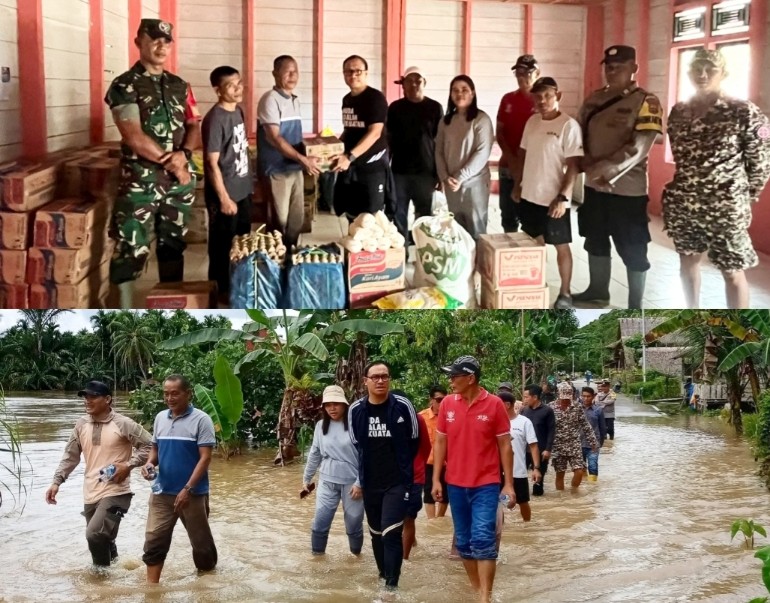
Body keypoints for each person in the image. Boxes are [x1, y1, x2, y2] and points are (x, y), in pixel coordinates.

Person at [663, 49, 770, 309]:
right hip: (685, 205)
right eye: (696, 69)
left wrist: (742, 197)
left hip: (726, 209)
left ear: (723, 73)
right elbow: (679, 156)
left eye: (710, 69)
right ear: (688, 73)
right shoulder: (679, 112)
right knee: (687, 263)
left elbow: (762, 161)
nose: (702, 75)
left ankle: (739, 333)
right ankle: (693, 319)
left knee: (732, 271)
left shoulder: (744, 111)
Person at [105, 19, 201, 308]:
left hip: (178, 185)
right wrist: (174, 163)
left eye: (166, 41)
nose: (161, 46)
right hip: (140, 183)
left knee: (173, 245)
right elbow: (133, 135)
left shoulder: (180, 86)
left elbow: (194, 124)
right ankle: (121, 318)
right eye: (154, 39)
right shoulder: (124, 85)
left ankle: (172, 308)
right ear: (139, 42)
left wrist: (184, 154)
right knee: (131, 247)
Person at [574, 45, 663, 309]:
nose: (612, 72)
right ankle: (597, 291)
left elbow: (639, 147)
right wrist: (586, 165)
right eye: (608, 67)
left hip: (627, 190)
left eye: (619, 67)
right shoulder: (593, 99)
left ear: (634, 68)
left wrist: (606, 170)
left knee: (633, 246)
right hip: (593, 186)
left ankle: (636, 304)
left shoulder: (646, 101)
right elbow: (578, 136)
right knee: (595, 238)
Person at [432, 355, 514, 603]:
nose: (450, 381)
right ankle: (477, 589)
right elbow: (440, 442)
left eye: (455, 376)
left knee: (483, 537)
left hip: (486, 484)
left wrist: (509, 483)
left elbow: (505, 445)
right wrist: (436, 479)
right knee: (464, 542)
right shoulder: (447, 404)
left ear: (471, 378)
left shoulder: (495, 405)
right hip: (455, 483)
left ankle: (485, 598)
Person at [45, 381, 152, 566]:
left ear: (108, 399)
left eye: (93, 396)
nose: (87, 400)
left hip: (117, 492)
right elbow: (70, 456)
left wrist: (129, 464)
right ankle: (116, 575)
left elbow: (151, 445)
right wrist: (56, 482)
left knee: (94, 535)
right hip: (90, 492)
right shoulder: (81, 425)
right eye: (85, 397)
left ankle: (99, 578)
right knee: (103, 539)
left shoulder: (123, 423)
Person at [348, 362, 419, 599]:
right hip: (371, 483)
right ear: (365, 381)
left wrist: (408, 478)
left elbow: (414, 441)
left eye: (385, 377)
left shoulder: (402, 406)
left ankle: (391, 587)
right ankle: (382, 574)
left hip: (396, 483)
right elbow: (356, 444)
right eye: (375, 377)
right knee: (376, 534)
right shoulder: (356, 410)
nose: (380, 381)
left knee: (391, 532)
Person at [141, 375, 217, 583]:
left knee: (201, 546)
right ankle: (152, 590)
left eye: (175, 393)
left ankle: (208, 586)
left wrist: (188, 489)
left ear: (188, 394)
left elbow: (205, 458)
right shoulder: (160, 418)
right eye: (166, 393)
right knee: (154, 540)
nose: (169, 398)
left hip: (192, 495)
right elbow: (155, 448)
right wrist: (149, 464)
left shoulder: (202, 420)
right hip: (161, 492)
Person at [515, 76, 583, 309]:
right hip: (529, 196)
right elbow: (523, 155)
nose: (542, 100)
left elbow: (574, 165)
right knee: (534, 245)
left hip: (554, 200)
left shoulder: (568, 125)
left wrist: (563, 197)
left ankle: (565, 293)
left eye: (547, 95)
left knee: (561, 245)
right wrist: (517, 185)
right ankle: (535, 287)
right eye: (538, 96)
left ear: (558, 96)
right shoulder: (532, 122)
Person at [257, 55, 320, 249]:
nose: (293, 76)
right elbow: (274, 137)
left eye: (296, 71)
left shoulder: (294, 100)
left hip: (294, 167)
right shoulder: (270, 99)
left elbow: (294, 137)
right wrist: (302, 159)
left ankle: (290, 256)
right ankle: (275, 261)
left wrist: (312, 154)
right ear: (275, 73)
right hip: (276, 170)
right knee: (278, 220)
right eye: (287, 71)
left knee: (296, 219)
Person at [202, 66, 253, 301]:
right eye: (231, 85)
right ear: (217, 90)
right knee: (221, 248)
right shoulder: (215, 119)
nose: (238, 88)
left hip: (242, 191)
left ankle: (238, 289)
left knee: (241, 245)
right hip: (226, 197)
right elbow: (211, 164)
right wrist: (223, 198)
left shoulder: (238, 111)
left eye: (239, 82)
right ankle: (219, 292)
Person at [301, 385, 364, 556]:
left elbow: (366, 456)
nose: (332, 408)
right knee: (320, 522)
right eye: (328, 405)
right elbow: (315, 453)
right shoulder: (321, 426)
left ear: (345, 405)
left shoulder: (356, 425)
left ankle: (356, 557)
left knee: (354, 524)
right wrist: (306, 479)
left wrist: (360, 483)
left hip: (353, 484)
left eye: (336, 404)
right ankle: (317, 559)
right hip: (327, 481)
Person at [387, 66, 444, 239]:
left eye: (418, 81)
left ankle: (423, 253)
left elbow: (440, 143)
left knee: (425, 217)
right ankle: (401, 254)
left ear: (424, 83)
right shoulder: (395, 108)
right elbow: (388, 139)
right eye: (409, 81)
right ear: (402, 85)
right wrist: (385, 171)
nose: (414, 85)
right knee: (398, 214)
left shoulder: (435, 108)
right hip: (399, 172)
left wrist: (440, 175)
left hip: (426, 173)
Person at [435, 75, 495, 240]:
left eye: (464, 90)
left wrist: (460, 177)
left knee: (476, 229)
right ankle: (463, 265)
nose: (459, 94)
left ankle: (479, 266)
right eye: (455, 90)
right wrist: (445, 177)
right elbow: (438, 150)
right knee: (458, 230)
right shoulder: (445, 121)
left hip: (474, 184)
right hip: (451, 185)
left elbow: (482, 152)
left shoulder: (481, 120)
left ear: (473, 93)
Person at [332, 55, 390, 219]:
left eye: (358, 71)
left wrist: (349, 157)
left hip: (371, 168)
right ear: (344, 75)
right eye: (349, 71)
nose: (353, 75)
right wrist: (331, 148)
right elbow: (349, 130)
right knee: (351, 215)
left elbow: (374, 133)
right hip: (351, 166)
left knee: (370, 218)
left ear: (366, 73)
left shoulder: (375, 98)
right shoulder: (347, 99)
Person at [496, 55, 538, 233]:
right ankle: (510, 256)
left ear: (537, 73)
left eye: (527, 73)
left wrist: (522, 164)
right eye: (518, 73)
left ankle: (530, 257)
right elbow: (500, 132)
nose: (522, 77)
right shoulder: (508, 99)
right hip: (508, 165)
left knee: (532, 218)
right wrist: (512, 159)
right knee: (508, 215)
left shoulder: (542, 101)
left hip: (534, 167)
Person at [550, 382, 598, 491]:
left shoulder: (577, 406)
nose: (566, 401)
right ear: (558, 395)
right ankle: (562, 499)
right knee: (560, 474)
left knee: (579, 471)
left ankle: (574, 492)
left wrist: (593, 442)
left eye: (568, 398)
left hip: (574, 444)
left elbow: (585, 425)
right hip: (558, 444)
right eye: (564, 399)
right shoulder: (551, 407)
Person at [508, 395, 541, 521]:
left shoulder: (524, 422)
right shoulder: (494, 421)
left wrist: (536, 468)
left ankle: (527, 526)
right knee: (497, 504)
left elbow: (533, 446)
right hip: (496, 472)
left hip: (518, 471)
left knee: (522, 501)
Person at [418, 386, 448, 519]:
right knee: (429, 492)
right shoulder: (421, 417)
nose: (442, 402)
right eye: (439, 399)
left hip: (447, 462)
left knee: (446, 494)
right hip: (428, 461)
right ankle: (432, 521)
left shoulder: (451, 417)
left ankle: (440, 518)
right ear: (431, 400)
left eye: (444, 399)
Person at [520, 384, 555, 496]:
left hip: (541, 451)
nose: (524, 399)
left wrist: (548, 449)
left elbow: (551, 431)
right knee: (519, 477)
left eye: (526, 397)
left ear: (535, 397)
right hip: (524, 451)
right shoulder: (524, 411)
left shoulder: (547, 411)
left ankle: (537, 500)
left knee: (538, 482)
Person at [580, 387, 606, 482]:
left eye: (588, 396)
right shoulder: (576, 409)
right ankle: (583, 486)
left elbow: (602, 428)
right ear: (581, 396)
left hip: (593, 445)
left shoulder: (598, 410)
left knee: (593, 466)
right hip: (578, 444)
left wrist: (600, 442)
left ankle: (592, 489)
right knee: (580, 468)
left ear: (593, 397)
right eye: (584, 396)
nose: (586, 399)